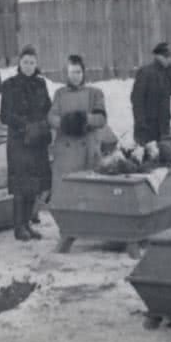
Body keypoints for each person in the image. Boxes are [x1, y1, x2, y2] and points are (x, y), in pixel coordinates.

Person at [49, 55, 107, 249]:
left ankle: (95, 230)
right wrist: (65, 123)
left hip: (87, 150)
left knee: (89, 192)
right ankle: (68, 231)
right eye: (71, 72)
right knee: (66, 193)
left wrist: (83, 119)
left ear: (84, 73)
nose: (75, 76)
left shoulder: (95, 93)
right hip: (66, 152)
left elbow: (101, 119)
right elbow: (51, 117)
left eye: (78, 72)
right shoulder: (60, 94)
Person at [0, 45, 52, 241]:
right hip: (19, 141)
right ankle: (18, 226)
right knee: (21, 184)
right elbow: (5, 115)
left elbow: (48, 108)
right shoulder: (9, 85)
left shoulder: (41, 85)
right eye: (25, 62)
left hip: (37, 140)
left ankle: (28, 224)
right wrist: (26, 126)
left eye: (32, 62)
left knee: (34, 184)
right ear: (19, 63)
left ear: (36, 64)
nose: (28, 66)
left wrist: (42, 126)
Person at [130, 42, 171, 144]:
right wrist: (140, 123)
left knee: (164, 156)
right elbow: (137, 99)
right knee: (149, 157)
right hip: (148, 126)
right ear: (160, 57)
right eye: (169, 57)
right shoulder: (145, 72)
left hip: (163, 124)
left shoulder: (168, 72)